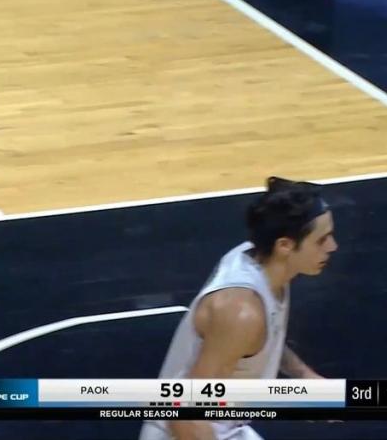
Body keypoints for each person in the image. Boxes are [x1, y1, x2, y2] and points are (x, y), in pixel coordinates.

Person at [139, 177, 339, 440]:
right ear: (285, 245)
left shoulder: (265, 264)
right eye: (321, 240)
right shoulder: (241, 312)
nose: (332, 246)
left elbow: (261, 341)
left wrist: (305, 376)